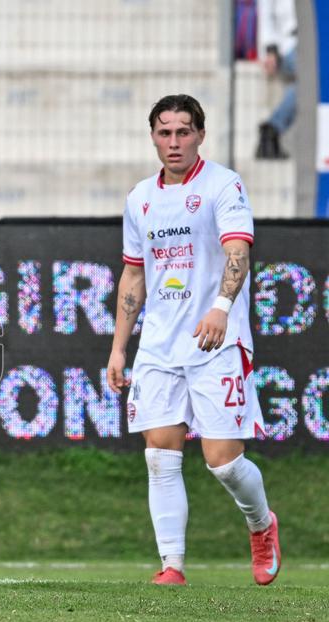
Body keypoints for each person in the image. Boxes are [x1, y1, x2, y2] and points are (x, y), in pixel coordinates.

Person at [107, 94, 281, 587]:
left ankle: (261, 524)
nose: (174, 141)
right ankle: (172, 566)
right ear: (153, 137)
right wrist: (119, 347)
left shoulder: (223, 185)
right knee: (159, 455)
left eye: (183, 131)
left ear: (200, 135)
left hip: (215, 342)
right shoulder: (140, 197)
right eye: (164, 132)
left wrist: (221, 307)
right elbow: (133, 276)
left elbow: (237, 251)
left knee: (223, 461)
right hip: (159, 345)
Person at [255, 0, 297, 159]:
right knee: (310, 81)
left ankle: (271, 131)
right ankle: (272, 128)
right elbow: (266, 14)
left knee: (304, 87)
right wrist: (270, 49)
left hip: (316, 39)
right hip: (287, 45)